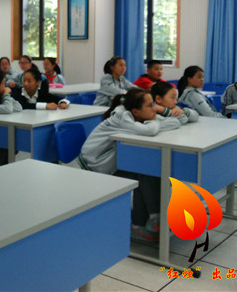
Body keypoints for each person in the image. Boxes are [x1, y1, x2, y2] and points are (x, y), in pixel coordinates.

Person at [78, 89, 190, 242]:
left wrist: (166, 115)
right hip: (94, 168)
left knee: (149, 168)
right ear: (136, 111)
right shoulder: (121, 117)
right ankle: (152, 219)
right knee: (146, 171)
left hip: (113, 164)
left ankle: (145, 222)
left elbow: (178, 121)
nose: (154, 109)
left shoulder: (138, 116)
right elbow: (150, 130)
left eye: (154, 104)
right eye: (150, 105)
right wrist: (158, 120)